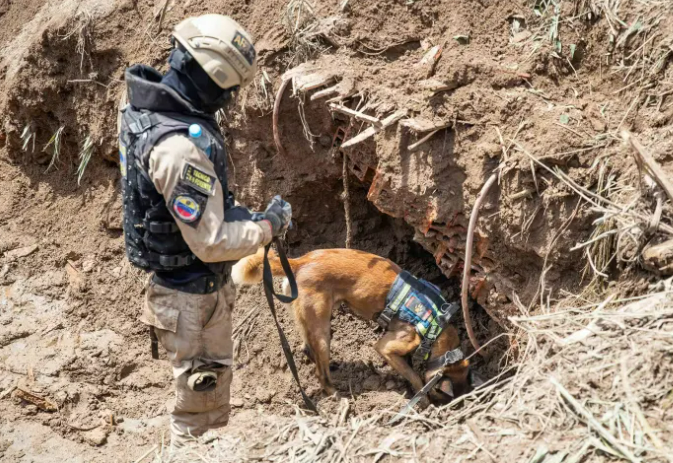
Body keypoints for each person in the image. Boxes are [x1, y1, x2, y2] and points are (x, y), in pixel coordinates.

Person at [116, 14, 291, 446]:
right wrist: (267, 227)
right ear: (212, 77)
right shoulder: (179, 151)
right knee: (198, 409)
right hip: (192, 301)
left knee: (201, 397)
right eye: (229, 90)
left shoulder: (146, 107)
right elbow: (211, 244)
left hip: (184, 293)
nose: (229, 100)